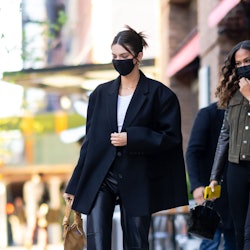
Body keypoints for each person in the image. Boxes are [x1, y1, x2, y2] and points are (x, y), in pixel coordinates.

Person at [63, 25, 189, 250]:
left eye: (124, 56)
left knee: (137, 242)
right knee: (97, 240)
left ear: (138, 57)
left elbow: (171, 138)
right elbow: (90, 143)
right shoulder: (100, 95)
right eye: (114, 56)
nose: (118, 60)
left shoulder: (161, 95)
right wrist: (74, 184)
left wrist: (132, 138)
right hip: (102, 176)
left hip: (138, 175)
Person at [209, 40, 250, 250]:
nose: (243, 66)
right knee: (240, 229)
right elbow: (224, 136)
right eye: (239, 63)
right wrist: (214, 177)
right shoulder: (233, 93)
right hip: (236, 170)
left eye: (248, 61)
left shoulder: (245, 93)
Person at [186, 102, 236, 250]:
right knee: (210, 243)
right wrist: (196, 185)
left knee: (235, 242)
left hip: (237, 194)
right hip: (212, 194)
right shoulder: (208, 114)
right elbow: (192, 152)